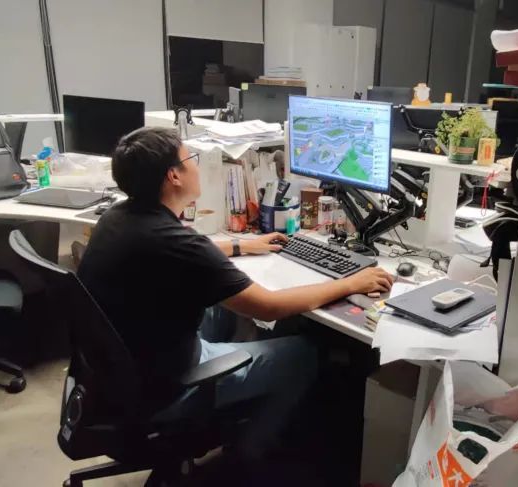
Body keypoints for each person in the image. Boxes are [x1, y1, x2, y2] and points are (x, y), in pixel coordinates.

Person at [77, 127, 393, 461]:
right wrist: (351, 282)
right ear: (174, 176)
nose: (196, 165)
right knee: (305, 352)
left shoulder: (116, 219)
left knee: (221, 306)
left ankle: (247, 403)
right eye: (190, 158)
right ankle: (250, 453)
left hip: (120, 376)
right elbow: (268, 307)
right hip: (167, 388)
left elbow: (187, 251)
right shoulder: (178, 243)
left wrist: (241, 246)